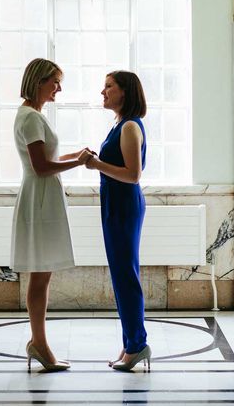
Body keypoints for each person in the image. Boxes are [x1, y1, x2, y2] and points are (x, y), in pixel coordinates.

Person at [10, 58, 92, 372]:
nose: (58, 89)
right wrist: (78, 163)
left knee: (42, 274)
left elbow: (47, 158)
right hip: (40, 197)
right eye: (54, 82)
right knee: (40, 274)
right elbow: (42, 167)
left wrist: (77, 155)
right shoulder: (30, 118)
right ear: (38, 81)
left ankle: (39, 342)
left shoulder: (31, 115)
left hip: (42, 196)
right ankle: (39, 343)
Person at [84, 70, 151, 372]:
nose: (103, 91)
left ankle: (137, 345)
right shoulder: (119, 125)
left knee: (126, 276)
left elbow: (133, 175)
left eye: (108, 86)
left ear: (125, 92)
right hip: (114, 203)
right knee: (121, 274)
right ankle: (130, 345)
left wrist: (96, 163)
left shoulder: (129, 128)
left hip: (124, 205)